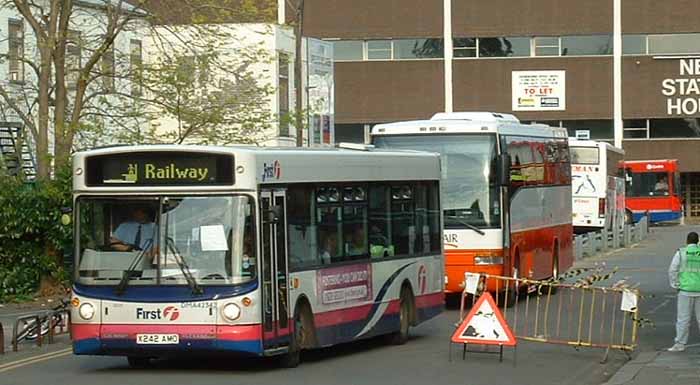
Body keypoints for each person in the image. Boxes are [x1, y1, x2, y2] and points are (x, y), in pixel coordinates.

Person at [667, 231, 700, 352]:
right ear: (697, 241)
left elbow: (672, 270)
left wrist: (675, 284)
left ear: (687, 241)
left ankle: (680, 344)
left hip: (685, 290)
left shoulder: (681, 252)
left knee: (683, 319)